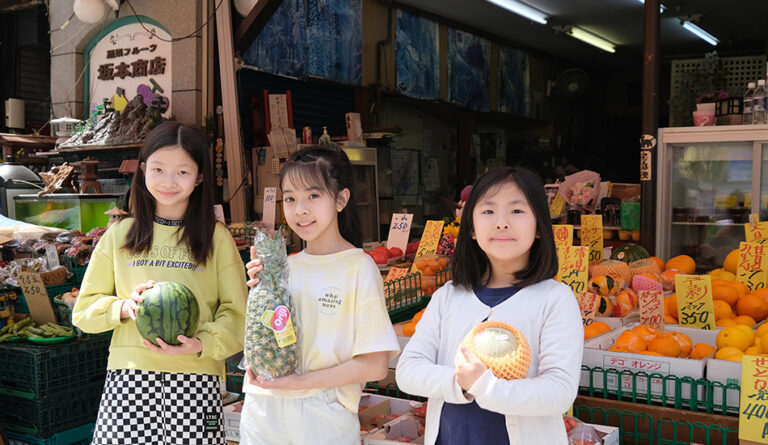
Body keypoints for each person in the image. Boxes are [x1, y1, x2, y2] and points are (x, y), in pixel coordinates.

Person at [72, 122, 247, 445]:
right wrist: (123, 307)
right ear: (143, 170)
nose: (168, 181)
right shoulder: (119, 235)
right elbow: (83, 311)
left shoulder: (216, 238)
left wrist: (202, 342)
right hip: (129, 378)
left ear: (199, 177)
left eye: (182, 172)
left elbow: (238, 314)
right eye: (158, 169)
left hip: (196, 379)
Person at [396, 166, 583, 444]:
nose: (501, 223)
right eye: (488, 211)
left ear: (540, 227)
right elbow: (408, 371)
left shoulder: (555, 299)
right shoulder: (448, 296)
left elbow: (559, 392)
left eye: (517, 211)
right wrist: (460, 381)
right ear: (472, 228)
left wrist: (484, 386)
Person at [240, 145, 400, 445]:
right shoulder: (284, 267)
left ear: (341, 199)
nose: (300, 209)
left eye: (313, 195)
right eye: (290, 198)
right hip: (263, 410)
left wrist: (299, 382)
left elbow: (375, 365)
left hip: (321, 415)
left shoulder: (358, 267)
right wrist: (261, 293)